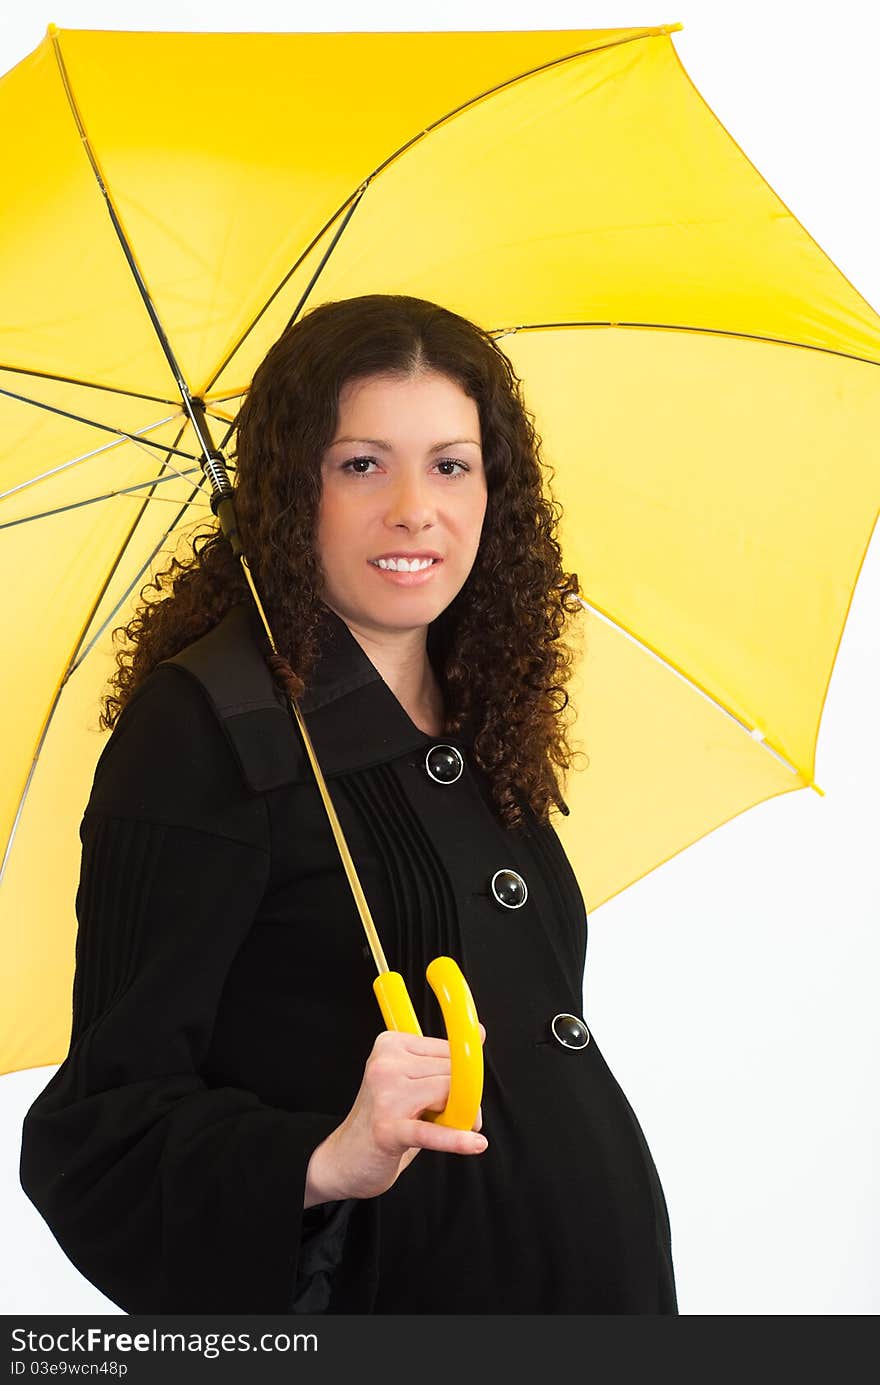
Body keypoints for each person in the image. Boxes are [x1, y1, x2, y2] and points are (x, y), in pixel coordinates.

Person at [19, 294, 677, 1314]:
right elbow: (98, 1136)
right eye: (361, 462)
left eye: (451, 463)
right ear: (291, 490)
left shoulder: (477, 705)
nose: (416, 507)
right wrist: (323, 1158)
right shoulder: (202, 730)